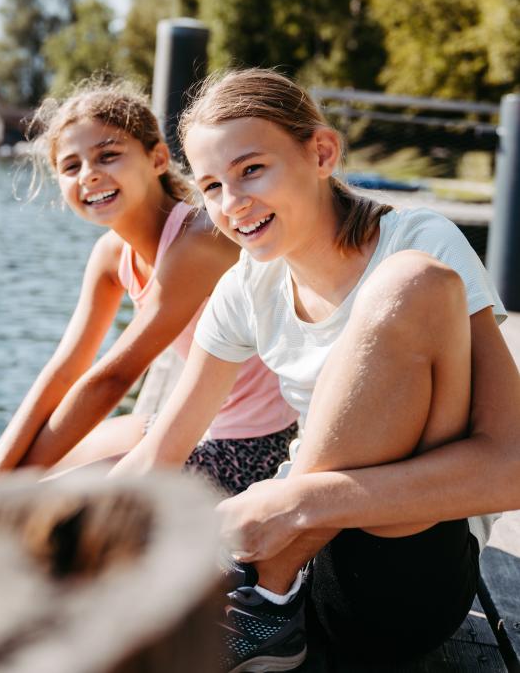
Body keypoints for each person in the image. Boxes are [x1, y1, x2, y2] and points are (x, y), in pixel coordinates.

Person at [113, 68, 520, 671]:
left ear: (321, 152)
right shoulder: (246, 287)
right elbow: (161, 451)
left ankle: (265, 593)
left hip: (402, 574)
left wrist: (298, 502)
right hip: (307, 562)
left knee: (411, 283)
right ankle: (267, 600)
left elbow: (510, 467)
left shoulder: (419, 242)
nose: (233, 202)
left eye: (252, 169)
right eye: (211, 187)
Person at [0, 78, 297, 495]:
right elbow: (66, 369)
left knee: (39, 505)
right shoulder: (111, 256)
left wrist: (0, 491)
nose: (89, 175)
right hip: (187, 424)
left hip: (253, 446)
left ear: (158, 158)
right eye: (71, 166)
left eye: (108, 155)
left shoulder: (196, 240)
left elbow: (114, 377)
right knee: (31, 480)